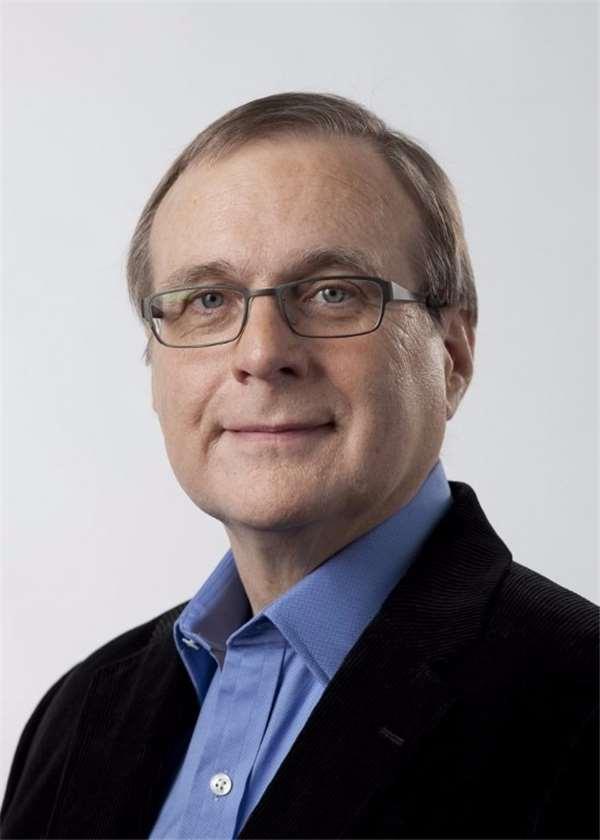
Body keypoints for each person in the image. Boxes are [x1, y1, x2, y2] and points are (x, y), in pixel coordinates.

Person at [1, 92, 598, 840]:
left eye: (332, 293)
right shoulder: (80, 714)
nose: (261, 354)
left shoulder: (580, 707)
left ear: (451, 355)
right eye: (208, 300)